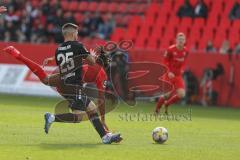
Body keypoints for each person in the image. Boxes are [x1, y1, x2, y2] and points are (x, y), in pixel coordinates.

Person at [3, 23, 122, 144]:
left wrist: (54, 59)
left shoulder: (58, 49)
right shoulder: (80, 48)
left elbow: (67, 64)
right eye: (76, 33)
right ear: (72, 33)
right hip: (75, 85)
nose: (77, 35)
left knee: (90, 108)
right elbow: (92, 64)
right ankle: (52, 117)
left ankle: (105, 137)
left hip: (64, 82)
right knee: (78, 117)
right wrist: (90, 56)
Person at [155, 33, 188, 114]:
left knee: (181, 94)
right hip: (169, 75)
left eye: (182, 39)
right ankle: (157, 110)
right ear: (176, 40)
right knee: (166, 95)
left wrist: (182, 69)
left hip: (178, 76)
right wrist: (169, 71)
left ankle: (167, 104)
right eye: (179, 39)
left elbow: (184, 62)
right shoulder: (170, 49)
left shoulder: (186, 51)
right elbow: (165, 61)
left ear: (185, 41)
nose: (181, 41)